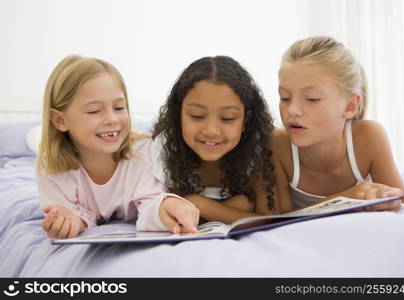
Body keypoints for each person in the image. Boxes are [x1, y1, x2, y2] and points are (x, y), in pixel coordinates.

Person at [36, 55, 199, 239]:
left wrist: (166, 206)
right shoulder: (52, 167)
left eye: (120, 107)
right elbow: (70, 215)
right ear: (60, 120)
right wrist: (70, 222)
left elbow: (151, 203)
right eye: (94, 111)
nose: (112, 119)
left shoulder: (143, 153)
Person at [272, 36, 404, 211]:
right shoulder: (278, 143)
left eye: (312, 99)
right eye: (285, 98)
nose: (292, 109)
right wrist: (347, 198)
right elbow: (275, 221)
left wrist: (387, 199)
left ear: (350, 106)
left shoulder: (369, 136)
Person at [151, 56, 291, 224]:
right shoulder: (165, 150)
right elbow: (162, 213)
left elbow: (268, 220)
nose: (211, 131)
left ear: (245, 120)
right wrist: (237, 207)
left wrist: (198, 203)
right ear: (179, 115)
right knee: (244, 202)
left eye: (227, 118)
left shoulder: (259, 150)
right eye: (197, 116)